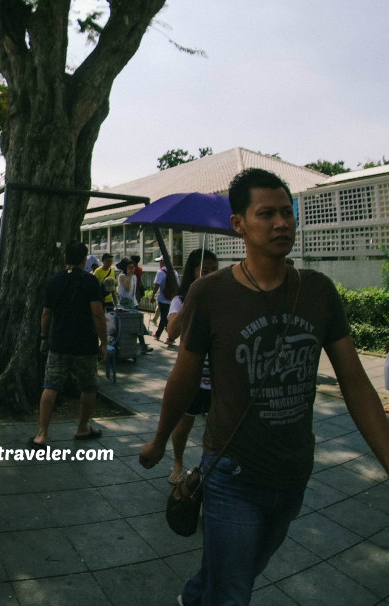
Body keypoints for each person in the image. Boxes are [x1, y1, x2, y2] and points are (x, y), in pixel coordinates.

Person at [139, 169, 389, 606]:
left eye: (287, 213)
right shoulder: (210, 294)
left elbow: (354, 382)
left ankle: (195, 594)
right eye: (267, 214)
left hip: (294, 472)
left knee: (245, 566)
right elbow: (182, 378)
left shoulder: (319, 291)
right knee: (235, 593)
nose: (282, 223)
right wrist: (160, 440)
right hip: (232, 472)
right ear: (239, 224)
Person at [30, 240, 108, 447]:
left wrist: (44, 337)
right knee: (89, 386)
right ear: (84, 259)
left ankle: (42, 434)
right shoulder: (90, 282)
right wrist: (104, 342)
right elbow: (98, 314)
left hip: (59, 342)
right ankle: (83, 428)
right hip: (85, 343)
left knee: (51, 385)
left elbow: (46, 313)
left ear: (65, 258)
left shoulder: (54, 280)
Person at [163, 248, 218, 484]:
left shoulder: (224, 298)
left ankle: (211, 469)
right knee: (183, 424)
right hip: (192, 376)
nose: (209, 276)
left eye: (214, 272)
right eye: (204, 271)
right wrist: (193, 297)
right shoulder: (180, 300)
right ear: (192, 273)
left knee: (218, 429)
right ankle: (177, 462)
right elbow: (172, 331)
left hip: (218, 376)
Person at [151, 256, 179, 342]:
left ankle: (161, 335)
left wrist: (152, 296)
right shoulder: (174, 272)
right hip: (171, 298)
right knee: (167, 317)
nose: (159, 263)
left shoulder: (160, 272)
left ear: (163, 262)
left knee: (164, 317)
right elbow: (177, 285)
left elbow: (157, 285)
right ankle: (170, 336)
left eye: (160, 261)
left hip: (162, 298)